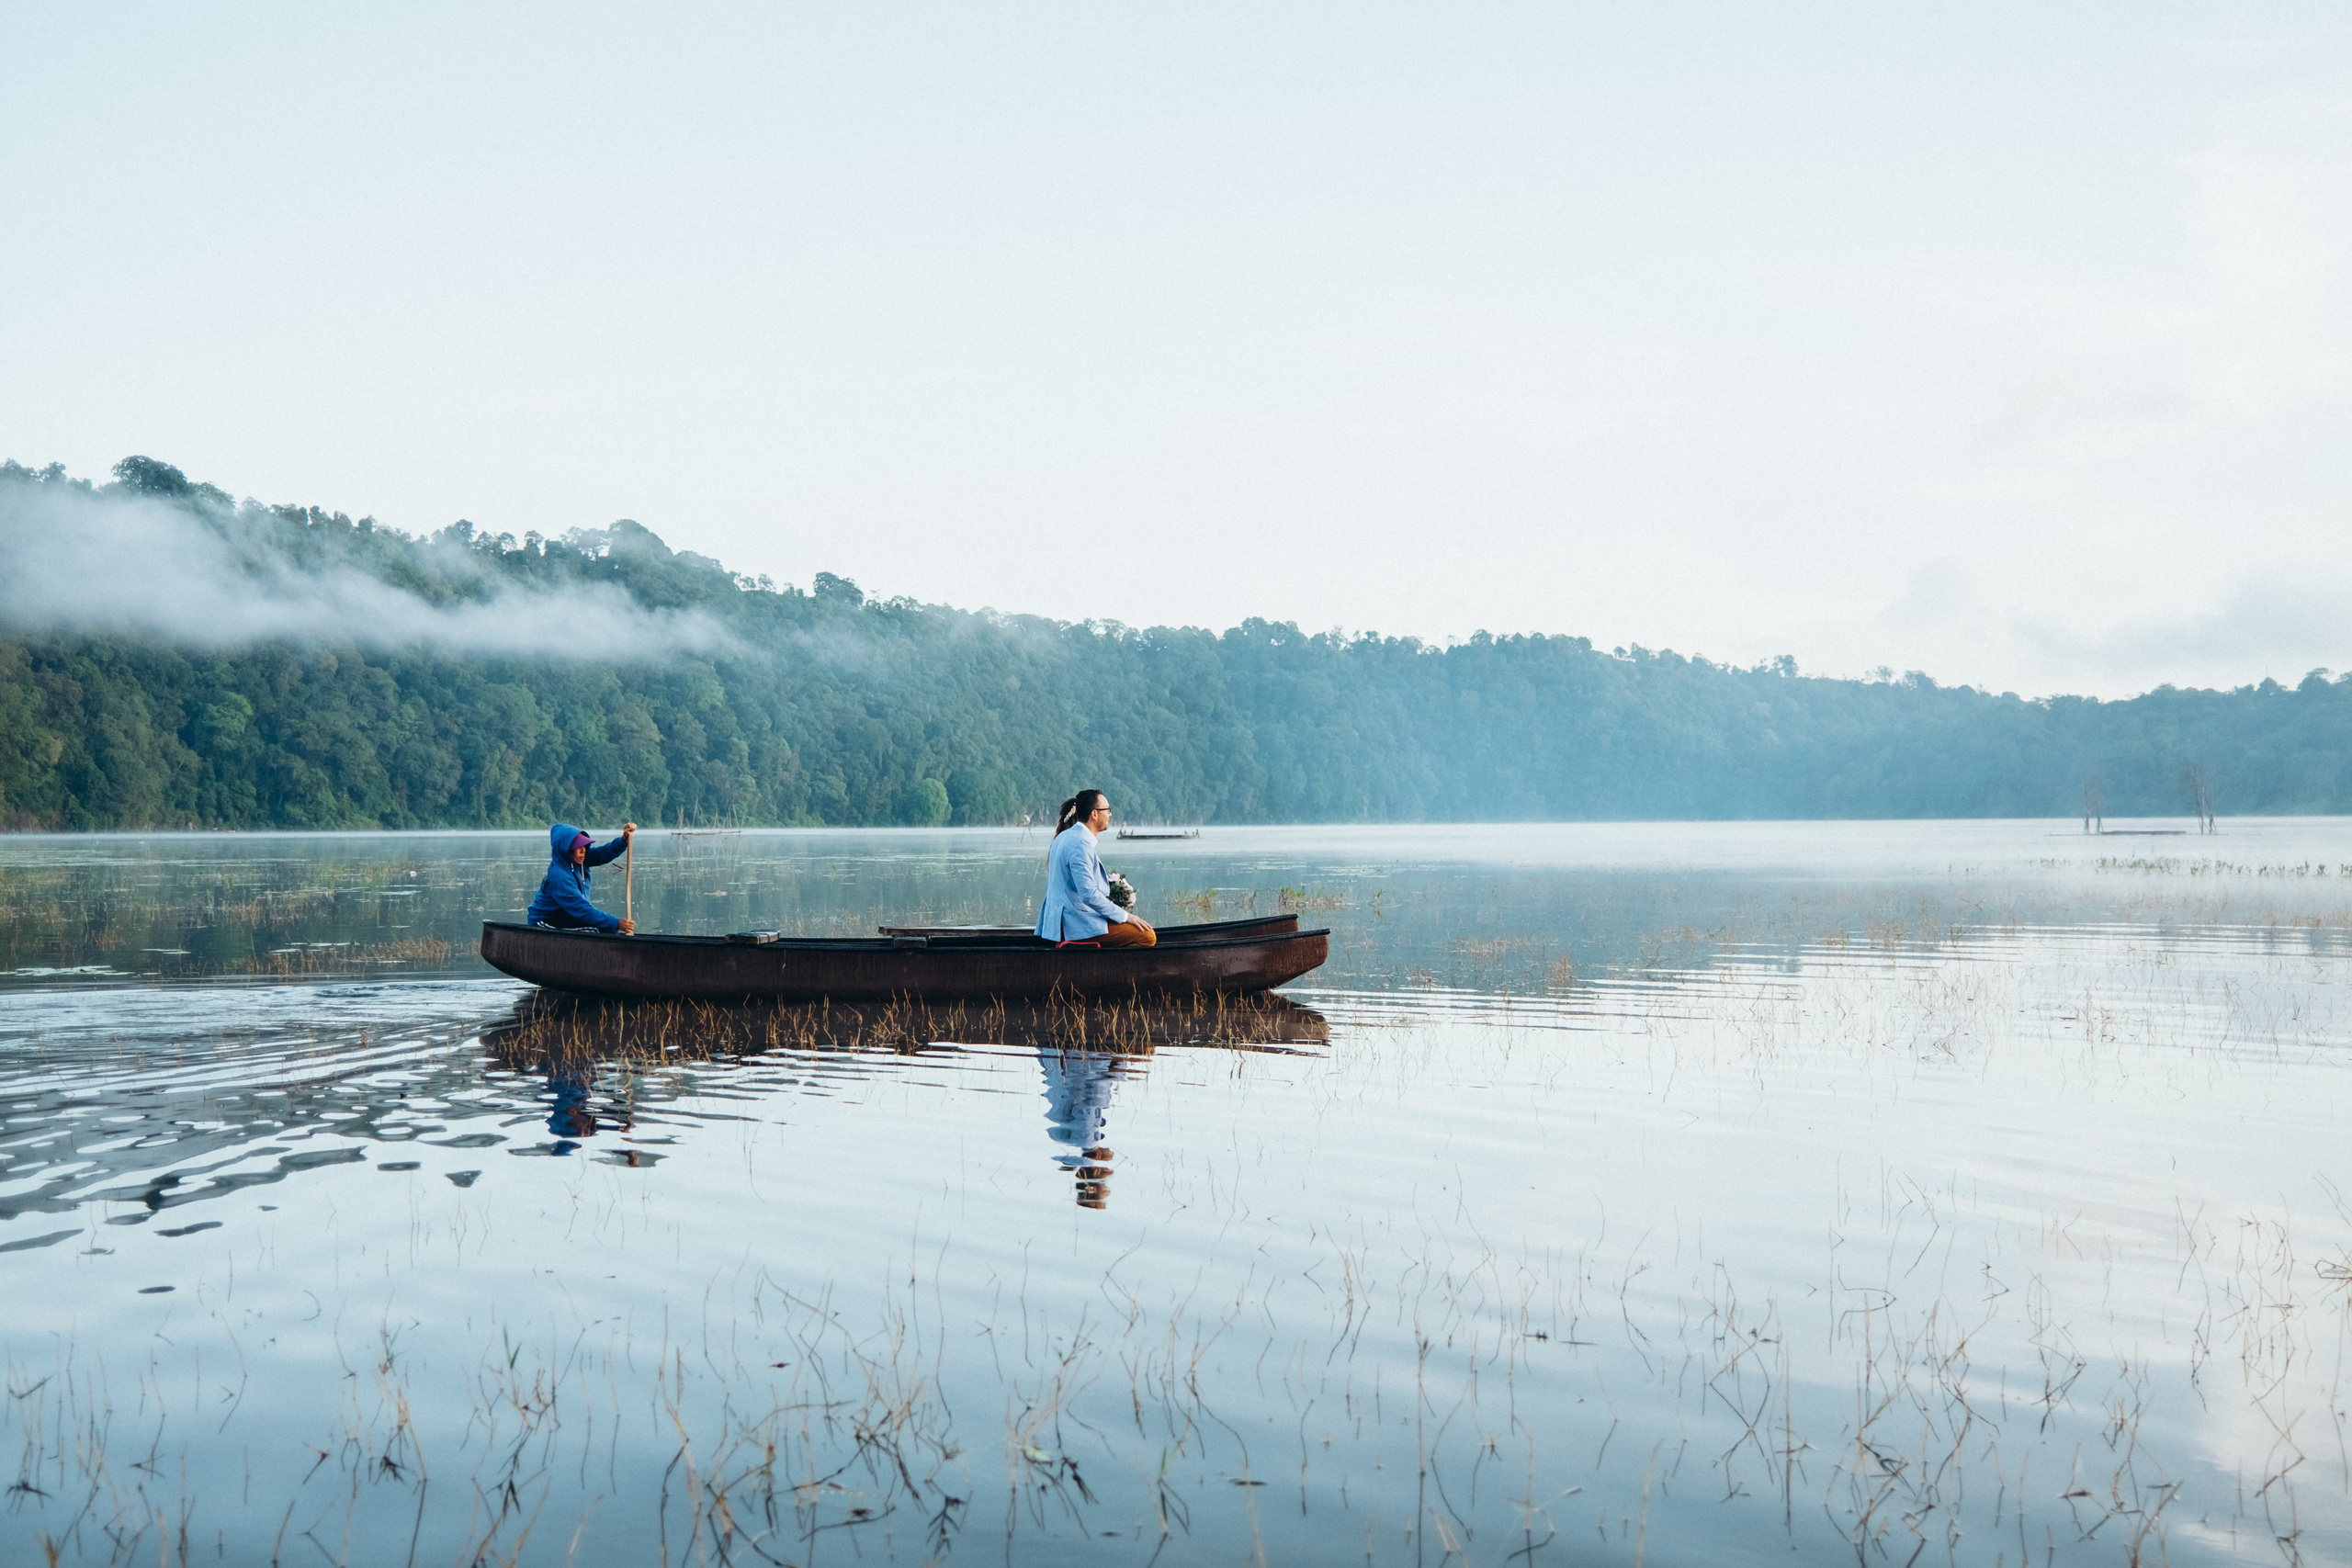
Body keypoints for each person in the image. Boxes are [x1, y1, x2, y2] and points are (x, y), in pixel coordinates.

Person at [1035, 790, 1156, 947]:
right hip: (1075, 925)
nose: (1110, 814)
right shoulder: (1080, 843)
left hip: (1059, 924)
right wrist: (1125, 916)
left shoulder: (1065, 836)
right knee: (1147, 936)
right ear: (1094, 814)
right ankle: (1108, 970)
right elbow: (1088, 894)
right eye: (1107, 810)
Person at [526, 820, 638, 934]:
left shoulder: (580, 860)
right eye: (578, 847)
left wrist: (623, 841)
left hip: (567, 916)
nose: (583, 850)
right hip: (545, 921)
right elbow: (581, 908)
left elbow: (603, 853)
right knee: (597, 930)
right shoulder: (560, 877)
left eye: (584, 846)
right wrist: (616, 923)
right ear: (567, 850)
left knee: (606, 929)